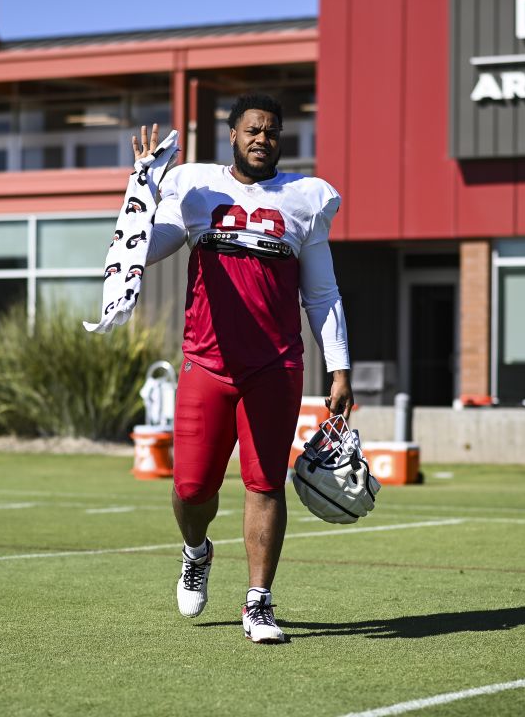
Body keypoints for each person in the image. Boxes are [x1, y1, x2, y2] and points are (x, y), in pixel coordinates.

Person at [133, 93, 353, 644]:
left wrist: (340, 367)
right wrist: (140, 193)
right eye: (253, 130)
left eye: (273, 131)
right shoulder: (196, 187)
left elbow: (322, 293)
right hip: (207, 362)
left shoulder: (304, 199)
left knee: (264, 484)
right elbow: (150, 248)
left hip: (275, 365)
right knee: (191, 487)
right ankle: (195, 550)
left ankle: (259, 602)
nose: (263, 138)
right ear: (233, 135)